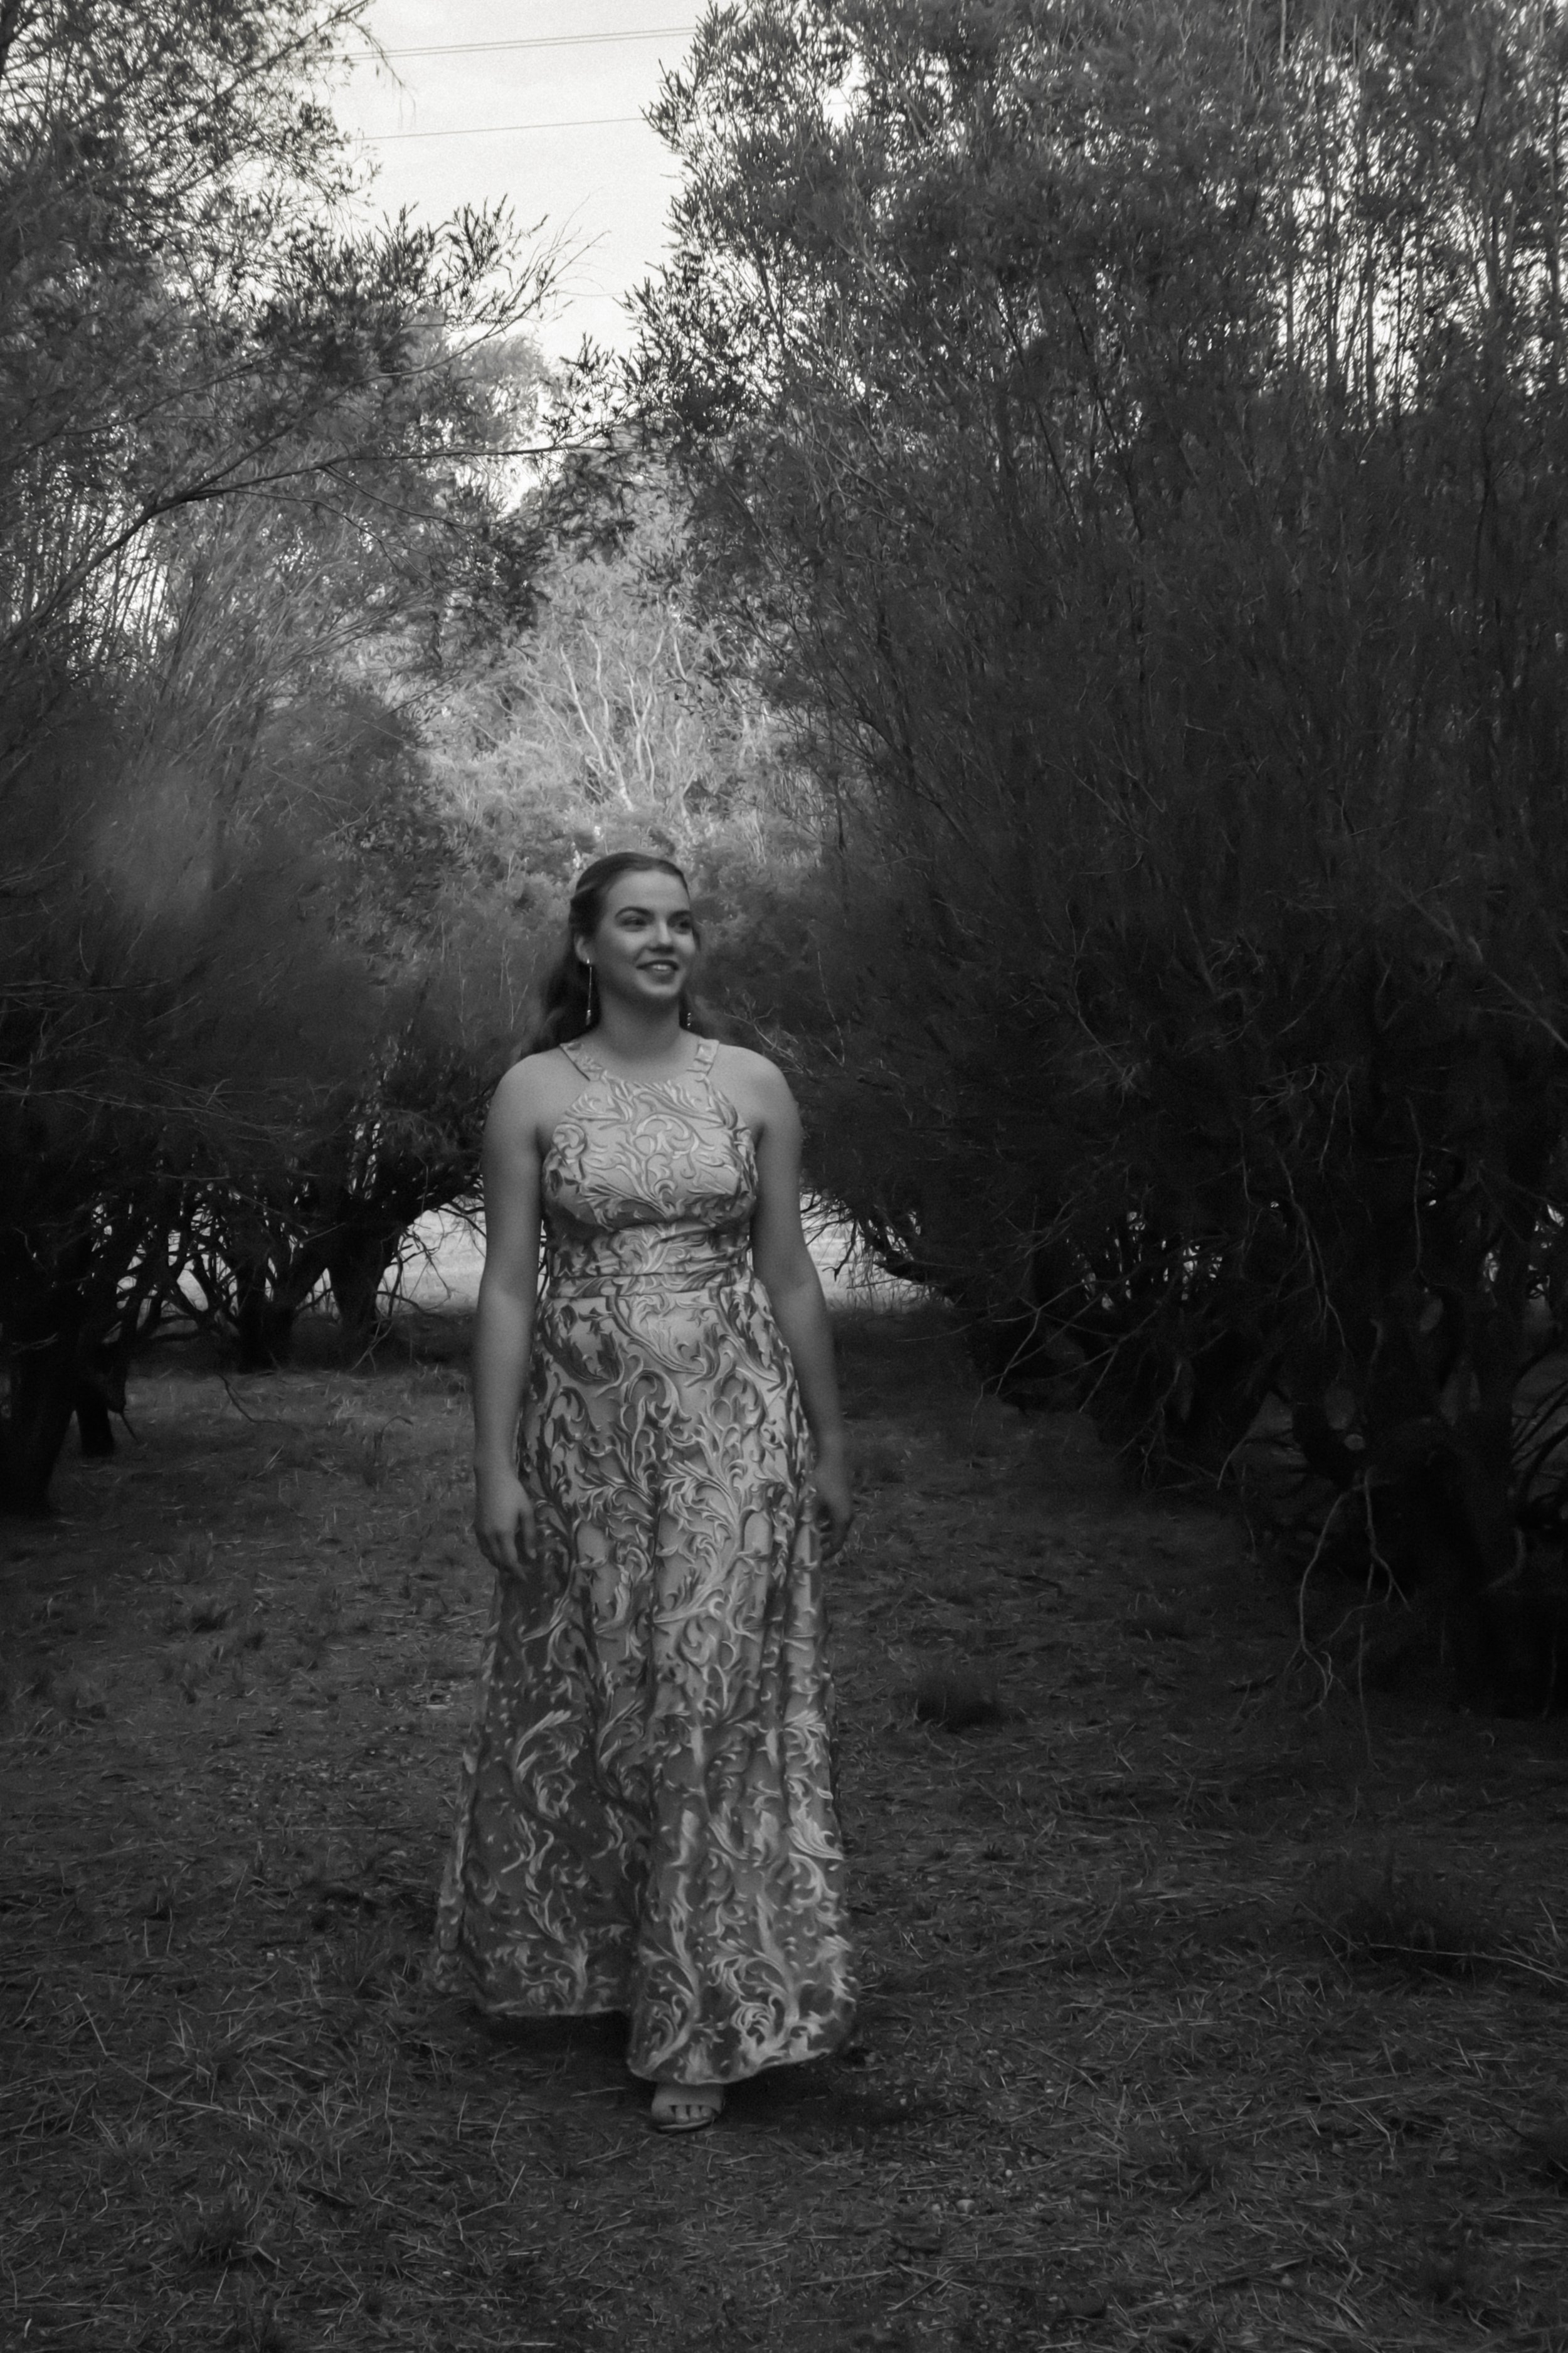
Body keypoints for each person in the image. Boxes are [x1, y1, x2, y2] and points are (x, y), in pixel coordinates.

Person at [432, 851, 857, 2132]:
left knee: (710, 1704)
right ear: (587, 944)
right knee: (610, 1697)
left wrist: (830, 1443)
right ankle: (612, 1962)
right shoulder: (533, 1093)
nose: (664, 940)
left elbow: (788, 1274)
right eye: (636, 921)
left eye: (681, 921)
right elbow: (506, 1287)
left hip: (737, 1434)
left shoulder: (752, 1085)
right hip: (588, 1446)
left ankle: (702, 2015)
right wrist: (494, 1461)